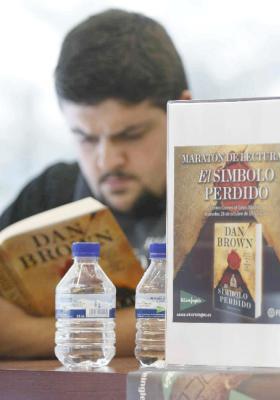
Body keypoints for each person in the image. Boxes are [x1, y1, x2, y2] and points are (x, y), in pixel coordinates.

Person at [0, 9, 190, 358]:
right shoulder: (50, 193)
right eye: (86, 138)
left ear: (184, 112)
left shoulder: (227, 193)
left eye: (130, 135)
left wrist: (31, 335)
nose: (108, 160)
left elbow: (229, 321)